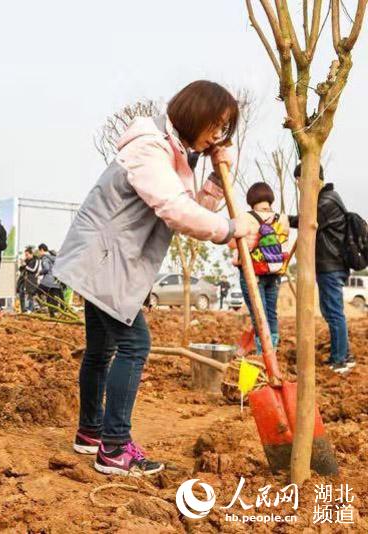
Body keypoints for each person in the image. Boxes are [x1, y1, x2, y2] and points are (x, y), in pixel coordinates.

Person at [54, 80, 259, 477]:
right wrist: (232, 227)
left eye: (223, 129)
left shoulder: (174, 155)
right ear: (194, 114)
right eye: (215, 126)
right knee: (134, 344)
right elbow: (175, 210)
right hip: (107, 260)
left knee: (100, 350)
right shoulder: (150, 148)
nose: (217, 135)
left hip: (107, 261)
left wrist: (217, 182)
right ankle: (114, 448)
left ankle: (91, 433)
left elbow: (190, 209)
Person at [289, 164, 356, 373]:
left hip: (331, 265)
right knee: (331, 312)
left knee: (334, 313)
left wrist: (281, 218)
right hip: (330, 265)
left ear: (311, 178)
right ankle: (342, 355)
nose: (299, 185)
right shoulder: (326, 199)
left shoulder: (326, 202)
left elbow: (306, 221)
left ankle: (340, 360)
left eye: (299, 180)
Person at [234, 182, 291, 355]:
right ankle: (271, 351)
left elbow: (232, 243)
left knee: (260, 315)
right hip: (274, 271)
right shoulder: (281, 218)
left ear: (251, 199)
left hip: (252, 272)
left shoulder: (245, 218)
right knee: (271, 313)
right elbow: (284, 243)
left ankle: (263, 354)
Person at [37, 244, 62, 317]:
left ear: (41, 250)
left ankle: (42, 306)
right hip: (56, 281)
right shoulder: (54, 257)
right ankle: (52, 314)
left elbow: (46, 268)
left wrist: (39, 273)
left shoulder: (45, 258)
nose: (39, 253)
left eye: (39, 251)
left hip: (48, 281)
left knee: (36, 292)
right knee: (51, 297)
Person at [18, 247, 39, 313]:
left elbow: (34, 270)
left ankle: (30, 309)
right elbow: (21, 269)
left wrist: (26, 266)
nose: (26, 256)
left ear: (31, 254)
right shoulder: (26, 261)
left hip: (31, 280)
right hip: (23, 280)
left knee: (31, 295)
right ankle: (23, 309)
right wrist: (23, 264)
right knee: (21, 293)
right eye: (25, 255)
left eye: (27, 255)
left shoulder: (36, 260)